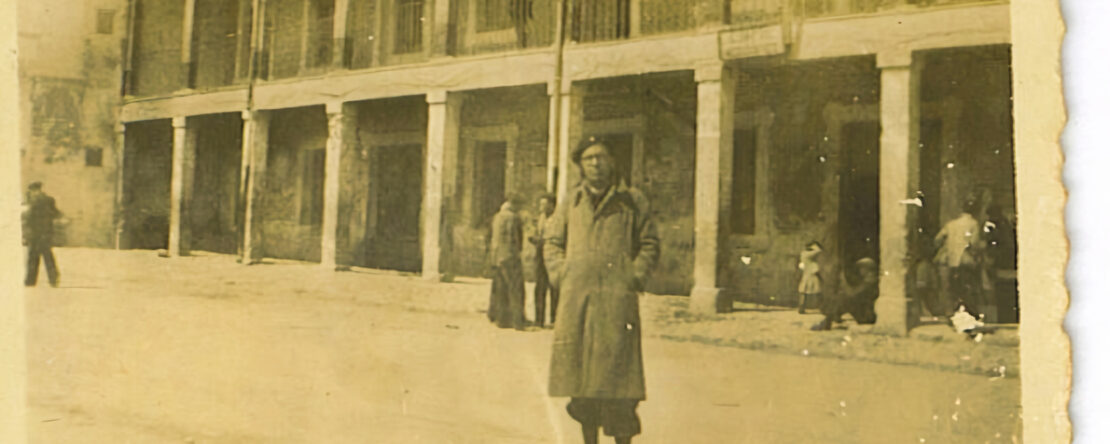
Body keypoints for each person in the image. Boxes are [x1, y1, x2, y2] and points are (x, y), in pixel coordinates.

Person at [545, 136, 660, 444]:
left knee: (620, 385)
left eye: (602, 157)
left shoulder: (632, 201)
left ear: (612, 162)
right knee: (582, 384)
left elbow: (649, 243)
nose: (596, 163)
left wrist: (633, 276)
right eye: (589, 158)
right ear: (581, 166)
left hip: (616, 304)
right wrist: (562, 273)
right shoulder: (571, 201)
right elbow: (552, 242)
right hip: (577, 302)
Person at [934, 198, 985, 317]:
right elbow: (974, 243)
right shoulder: (973, 224)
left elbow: (937, 240)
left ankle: (952, 313)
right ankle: (969, 314)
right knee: (968, 288)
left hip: (951, 260)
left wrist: (948, 246)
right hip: (965, 261)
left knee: (952, 288)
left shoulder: (951, 224)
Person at [488, 195, 526, 330]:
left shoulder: (497, 217)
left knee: (501, 288)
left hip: (498, 256)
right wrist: (518, 251)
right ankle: (517, 321)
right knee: (515, 288)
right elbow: (516, 237)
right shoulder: (513, 217)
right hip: (510, 255)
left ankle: (502, 320)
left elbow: (494, 238)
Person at [811, 258, 880, 331]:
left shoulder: (870, 282)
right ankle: (830, 320)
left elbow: (851, 293)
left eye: (862, 268)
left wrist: (842, 280)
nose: (860, 270)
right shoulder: (870, 280)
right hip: (865, 312)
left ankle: (827, 322)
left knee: (842, 298)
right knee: (842, 297)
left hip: (867, 316)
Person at [23, 182, 61, 287]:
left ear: (37, 190)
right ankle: (53, 279)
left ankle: (30, 281)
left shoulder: (35, 201)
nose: (32, 193)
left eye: (33, 191)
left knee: (35, 258)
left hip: (38, 234)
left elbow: (29, 217)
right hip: (44, 233)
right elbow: (56, 213)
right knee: (46, 257)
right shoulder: (49, 200)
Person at [529, 193, 559, 328]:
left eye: (544, 204)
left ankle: (554, 319)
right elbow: (537, 233)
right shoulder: (541, 218)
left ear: (552, 205)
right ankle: (539, 319)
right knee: (539, 288)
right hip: (540, 255)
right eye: (541, 204)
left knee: (554, 289)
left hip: (553, 256)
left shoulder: (557, 219)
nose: (541, 207)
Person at [796, 241, 823, 314]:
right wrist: (815, 246)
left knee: (803, 291)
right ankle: (822, 307)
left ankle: (801, 308)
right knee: (818, 291)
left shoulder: (803, 253)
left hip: (806, 274)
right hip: (812, 274)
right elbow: (819, 250)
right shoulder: (809, 256)